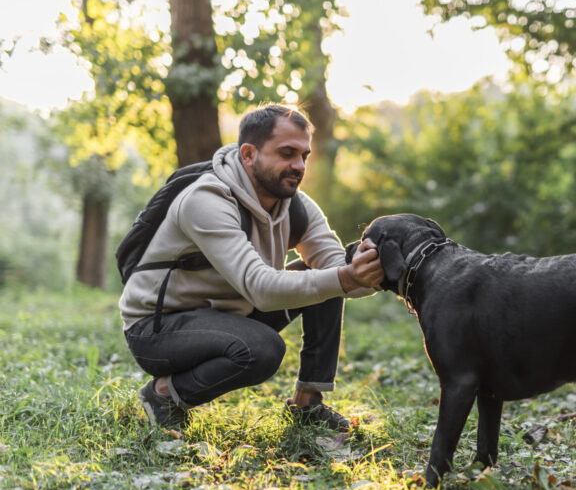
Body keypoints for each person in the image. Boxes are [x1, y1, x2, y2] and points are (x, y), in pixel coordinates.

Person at [118, 104, 384, 432]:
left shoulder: (298, 206)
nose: (298, 166)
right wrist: (345, 277)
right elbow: (260, 287)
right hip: (159, 328)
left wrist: (374, 271)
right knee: (262, 349)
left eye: (304, 155)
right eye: (287, 153)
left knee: (328, 277)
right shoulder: (206, 199)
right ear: (248, 154)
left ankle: (308, 404)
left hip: (232, 312)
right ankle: (162, 394)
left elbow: (339, 271)